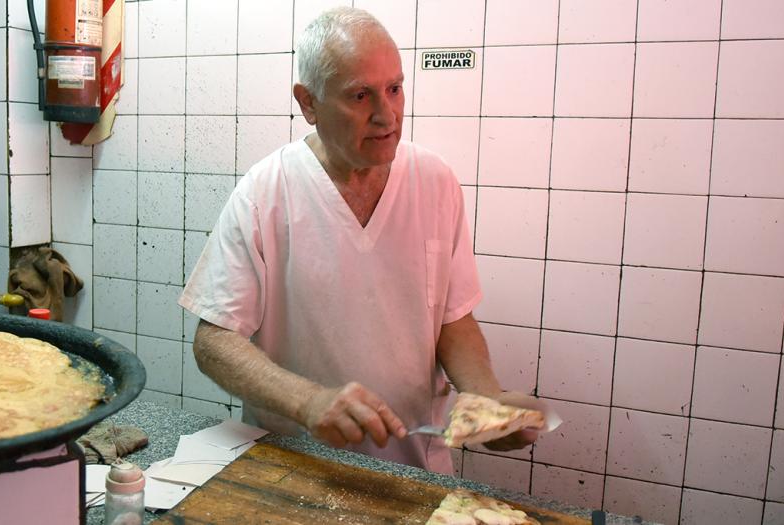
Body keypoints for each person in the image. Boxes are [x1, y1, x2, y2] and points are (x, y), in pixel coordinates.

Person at [178, 7, 537, 474]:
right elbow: (214, 341)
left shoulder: (435, 181)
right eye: (360, 95)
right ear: (308, 103)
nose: (386, 115)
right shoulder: (267, 191)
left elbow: (452, 319)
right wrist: (308, 401)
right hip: (295, 468)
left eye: (395, 88)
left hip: (415, 471)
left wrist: (485, 399)